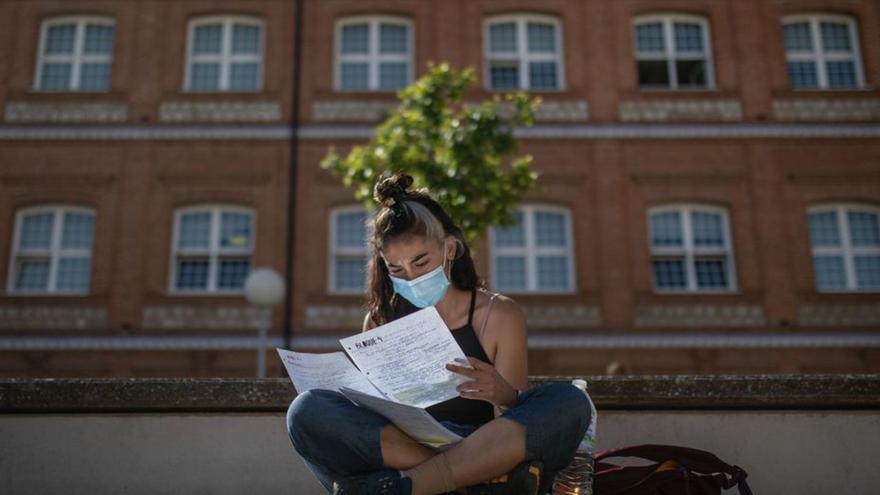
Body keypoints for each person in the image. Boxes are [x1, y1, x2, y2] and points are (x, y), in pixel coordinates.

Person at [286, 173, 590, 495]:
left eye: (421, 262)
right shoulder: (379, 321)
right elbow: (373, 421)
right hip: (412, 448)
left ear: (449, 248)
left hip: (483, 443)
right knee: (305, 411)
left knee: (569, 401)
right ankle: (468, 481)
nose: (412, 277)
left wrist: (503, 394)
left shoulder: (499, 314)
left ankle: (410, 486)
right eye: (397, 270)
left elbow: (517, 423)